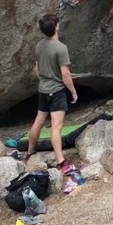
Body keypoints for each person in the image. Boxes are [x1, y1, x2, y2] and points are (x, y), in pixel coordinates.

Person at [29, 13, 78, 168]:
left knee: (38, 122)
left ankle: (30, 152)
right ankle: (61, 160)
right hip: (56, 91)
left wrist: (44, 79)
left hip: (43, 90)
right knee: (57, 126)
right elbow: (65, 73)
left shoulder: (39, 46)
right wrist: (73, 91)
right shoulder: (60, 48)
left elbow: (36, 69)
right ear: (56, 26)